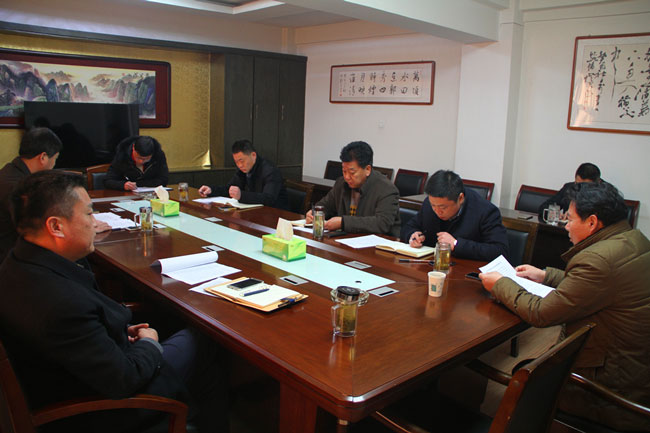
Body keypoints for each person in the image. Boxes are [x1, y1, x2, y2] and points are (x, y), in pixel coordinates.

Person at [0, 171, 228, 433]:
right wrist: (149, 344)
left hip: (74, 375)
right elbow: (124, 378)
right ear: (56, 227)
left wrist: (114, 331)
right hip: (100, 410)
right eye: (88, 214)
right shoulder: (59, 304)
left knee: (178, 326)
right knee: (204, 340)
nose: (95, 222)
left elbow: (79, 337)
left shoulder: (17, 265)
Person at [479, 182, 650, 431]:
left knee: (518, 373)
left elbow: (541, 313)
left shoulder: (597, 260)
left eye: (569, 219)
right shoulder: (633, 239)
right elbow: (596, 287)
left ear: (592, 222)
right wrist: (545, 275)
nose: (565, 225)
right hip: (635, 370)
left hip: (606, 388)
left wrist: (500, 284)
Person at [401, 170, 508, 261]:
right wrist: (413, 236)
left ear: (460, 198)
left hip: (466, 270)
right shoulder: (429, 204)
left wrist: (456, 244)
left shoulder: (485, 211)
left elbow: (499, 250)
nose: (437, 211)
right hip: (430, 266)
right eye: (433, 205)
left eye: (443, 207)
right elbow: (409, 227)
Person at [305, 141, 400, 236]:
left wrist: (343, 223)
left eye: (352, 173)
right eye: (344, 171)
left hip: (379, 242)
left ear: (367, 169)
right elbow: (326, 205)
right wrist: (314, 213)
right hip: (346, 239)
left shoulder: (386, 189)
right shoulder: (341, 183)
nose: (347, 177)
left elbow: (382, 223)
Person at [198, 139, 288, 209]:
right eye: (236, 162)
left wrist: (241, 195)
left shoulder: (270, 171)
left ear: (253, 155)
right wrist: (211, 190)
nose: (240, 165)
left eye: (242, 161)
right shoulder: (243, 169)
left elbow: (269, 198)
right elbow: (229, 189)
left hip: (277, 215)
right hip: (256, 211)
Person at [104, 135, 169, 191]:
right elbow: (108, 181)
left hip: (153, 194)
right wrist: (123, 185)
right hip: (126, 195)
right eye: (139, 157)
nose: (141, 161)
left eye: (146, 159)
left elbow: (163, 179)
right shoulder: (122, 156)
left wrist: (138, 184)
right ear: (133, 148)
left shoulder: (158, 156)